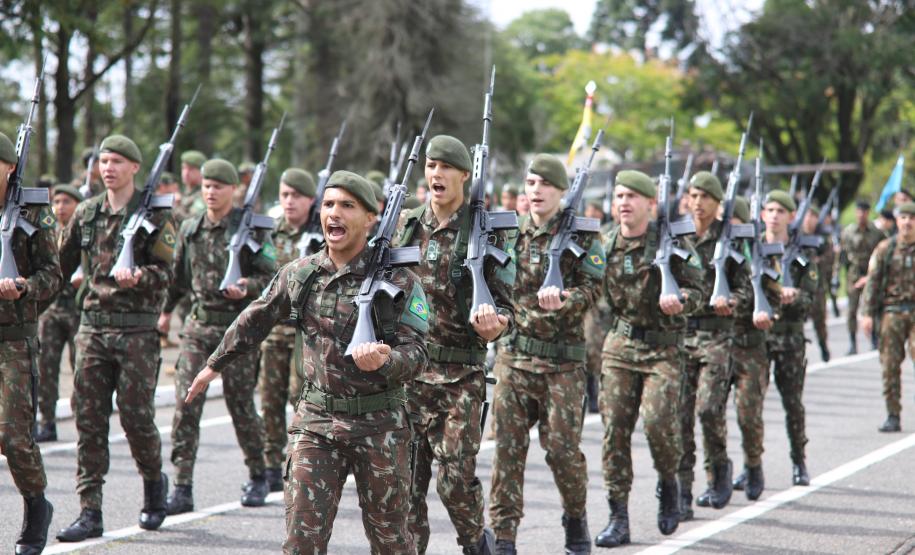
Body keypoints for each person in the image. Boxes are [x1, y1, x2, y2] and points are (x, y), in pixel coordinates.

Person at [184, 170, 428, 554]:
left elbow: (418, 354)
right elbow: (257, 316)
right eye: (329, 204)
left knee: (391, 542)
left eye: (347, 206)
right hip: (316, 422)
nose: (334, 213)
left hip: (379, 424)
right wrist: (215, 363)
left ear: (370, 218)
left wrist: (385, 360)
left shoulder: (399, 280)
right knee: (301, 541)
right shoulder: (301, 274)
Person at [393, 135, 513, 554]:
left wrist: (495, 326)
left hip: (461, 376)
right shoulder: (405, 225)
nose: (436, 174)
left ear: (466, 175)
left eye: (446, 167)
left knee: (454, 481)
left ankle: (476, 543)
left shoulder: (485, 232)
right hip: (408, 375)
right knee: (405, 489)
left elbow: (506, 306)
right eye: (431, 165)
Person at [57, 134, 176, 541]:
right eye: (104, 161)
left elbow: (169, 273)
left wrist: (142, 275)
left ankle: (153, 487)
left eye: (117, 161)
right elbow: (59, 263)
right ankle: (90, 511)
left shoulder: (156, 214)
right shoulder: (87, 213)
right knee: (88, 420)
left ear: (135, 168)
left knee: (136, 417)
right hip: (92, 327)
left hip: (138, 330)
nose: (108, 168)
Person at [489, 154, 604, 555]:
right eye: (530, 182)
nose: (535, 191)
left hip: (562, 364)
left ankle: (575, 517)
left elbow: (594, 290)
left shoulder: (584, 236)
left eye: (544, 184)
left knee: (561, 452)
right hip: (514, 360)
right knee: (507, 451)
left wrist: (566, 300)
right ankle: (503, 536)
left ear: (561, 191)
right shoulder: (509, 233)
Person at [158, 158, 276, 514]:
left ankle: (258, 475)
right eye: (207, 185)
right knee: (186, 402)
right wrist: (164, 311)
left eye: (218, 186)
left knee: (240, 404)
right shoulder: (190, 227)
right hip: (198, 327)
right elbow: (177, 277)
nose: (210, 191)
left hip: (238, 328)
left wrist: (247, 287)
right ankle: (181, 485)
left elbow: (272, 278)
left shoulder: (252, 228)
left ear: (232, 190)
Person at [595, 170, 705, 547]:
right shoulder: (605, 242)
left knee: (658, 422)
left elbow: (699, 289)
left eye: (632, 196)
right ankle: (618, 516)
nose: (623, 202)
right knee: (614, 432)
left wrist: (682, 301)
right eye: (619, 195)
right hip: (620, 347)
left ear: (650, 204)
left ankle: (668, 481)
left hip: (664, 347)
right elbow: (585, 285)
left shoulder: (672, 242)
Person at [0, 130, 61, 555]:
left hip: (14, 341)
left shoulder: (34, 212)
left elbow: (53, 276)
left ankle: (36, 505)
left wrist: (23, 287)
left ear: (10, 168)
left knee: (13, 435)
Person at [678, 171, 748, 518]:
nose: (698, 202)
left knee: (708, 409)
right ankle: (682, 490)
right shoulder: (678, 236)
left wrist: (731, 300)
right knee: (679, 415)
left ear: (718, 203)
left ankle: (718, 472)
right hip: (682, 334)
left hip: (718, 334)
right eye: (693, 195)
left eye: (705, 196)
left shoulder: (730, 239)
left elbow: (746, 288)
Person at [259, 167, 316, 492]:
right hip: (273, 331)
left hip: (305, 334)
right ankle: (269, 465)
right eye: (284, 196)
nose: (289, 202)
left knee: (300, 400)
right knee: (269, 400)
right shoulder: (271, 233)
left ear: (310, 199)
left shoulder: (322, 231)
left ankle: (298, 462)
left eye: (296, 196)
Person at [763, 190, 818, 486]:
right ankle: (752, 464)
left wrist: (794, 296)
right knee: (751, 406)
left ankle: (799, 461)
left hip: (790, 339)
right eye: (769, 210)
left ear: (791, 217)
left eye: (780, 211)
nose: (774, 215)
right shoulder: (749, 250)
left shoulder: (802, 256)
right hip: (758, 339)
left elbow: (812, 298)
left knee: (793, 404)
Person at [727, 196, 779, 500]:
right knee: (708, 414)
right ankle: (716, 473)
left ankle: (753, 464)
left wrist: (767, 313)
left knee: (748, 414)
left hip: (751, 347)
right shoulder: (715, 249)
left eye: (734, 221)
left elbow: (774, 294)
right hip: (718, 346)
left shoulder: (759, 252)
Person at [35, 184, 84, 442]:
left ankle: (84, 422)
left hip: (78, 311)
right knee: (46, 367)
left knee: (81, 370)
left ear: (78, 205)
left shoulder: (83, 232)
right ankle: (47, 422)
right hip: (52, 311)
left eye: (67, 201)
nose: (61, 207)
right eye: (58, 201)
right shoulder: (48, 232)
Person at [862, 202, 915, 433]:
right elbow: (873, 282)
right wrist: (867, 314)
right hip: (892, 312)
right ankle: (893, 414)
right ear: (897, 220)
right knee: (889, 366)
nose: (907, 222)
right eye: (903, 217)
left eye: (912, 217)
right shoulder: (885, 248)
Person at [836, 199, 884, 354]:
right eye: (859, 211)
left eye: (864, 211)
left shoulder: (876, 233)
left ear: (868, 213)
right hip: (854, 274)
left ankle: (875, 339)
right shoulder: (848, 232)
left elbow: (882, 253)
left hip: (872, 272)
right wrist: (837, 275)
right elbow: (841, 256)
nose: (861, 215)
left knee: (872, 306)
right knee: (852, 310)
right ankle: (852, 343)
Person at [803, 204, 834, 362]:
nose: (808, 220)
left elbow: (829, 259)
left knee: (819, 320)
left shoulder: (822, 238)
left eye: (812, 216)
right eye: (806, 216)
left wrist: (815, 261)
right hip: (800, 287)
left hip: (817, 286)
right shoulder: (797, 236)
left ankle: (823, 345)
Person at [177, 150, 207, 221]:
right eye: (183, 168)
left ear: (202, 172)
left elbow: (192, 221)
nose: (186, 173)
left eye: (191, 169)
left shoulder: (205, 195)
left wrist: (176, 206)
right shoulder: (182, 193)